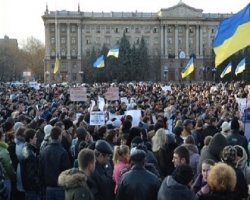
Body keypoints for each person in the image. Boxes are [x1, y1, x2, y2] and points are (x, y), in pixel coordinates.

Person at [39, 126, 71, 200]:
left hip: (48, 187)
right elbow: (66, 170)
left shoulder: (44, 151)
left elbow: (40, 170)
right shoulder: (62, 152)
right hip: (60, 187)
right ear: (59, 136)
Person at [20, 129, 40, 199]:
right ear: (30, 139)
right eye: (35, 137)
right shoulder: (30, 154)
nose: (36, 138)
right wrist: (38, 187)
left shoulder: (25, 149)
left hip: (28, 188)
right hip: (32, 189)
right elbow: (31, 175)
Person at [0, 131, 16, 200]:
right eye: (3, 136)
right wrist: (13, 176)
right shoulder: (4, 151)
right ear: (1, 138)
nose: (5, 137)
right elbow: (9, 167)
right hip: (5, 178)